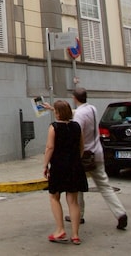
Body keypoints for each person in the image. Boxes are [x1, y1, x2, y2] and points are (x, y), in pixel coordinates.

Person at [71, 87, 128, 230]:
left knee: (77, 186)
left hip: (85, 155)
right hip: (97, 152)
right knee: (104, 186)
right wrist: (53, 108)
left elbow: (77, 135)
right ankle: (120, 213)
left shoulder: (79, 115)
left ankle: (79, 214)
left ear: (74, 98)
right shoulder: (92, 109)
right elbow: (75, 113)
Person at [43, 99, 87, 244]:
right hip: (75, 166)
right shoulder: (76, 126)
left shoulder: (54, 127)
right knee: (73, 201)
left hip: (59, 167)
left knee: (54, 197)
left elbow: (50, 147)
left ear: (57, 113)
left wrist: (45, 165)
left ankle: (60, 230)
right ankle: (75, 235)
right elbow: (81, 147)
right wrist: (76, 159)